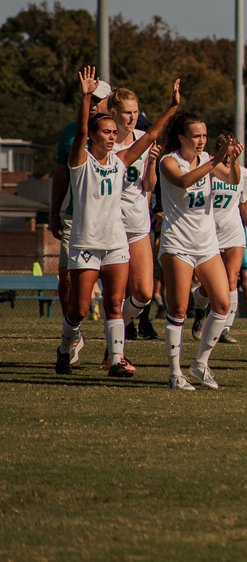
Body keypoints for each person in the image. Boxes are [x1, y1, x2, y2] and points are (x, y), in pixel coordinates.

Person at [55, 67, 177, 377]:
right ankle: (65, 348)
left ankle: (117, 359)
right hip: (85, 242)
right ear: (93, 136)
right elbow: (81, 130)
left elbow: (150, 135)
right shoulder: (80, 161)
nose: (112, 138)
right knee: (79, 309)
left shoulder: (120, 161)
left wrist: (173, 107)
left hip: (115, 243)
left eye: (113, 133)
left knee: (114, 305)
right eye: (106, 133)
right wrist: (85, 97)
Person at [158, 113, 239, 390]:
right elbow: (183, 181)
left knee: (222, 303)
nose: (202, 140)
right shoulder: (168, 161)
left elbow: (230, 177)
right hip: (178, 242)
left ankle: (200, 364)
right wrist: (217, 158)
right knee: (178, 309)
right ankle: (174, 372)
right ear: (182, 137)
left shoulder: (207, 160)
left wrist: (233, 158)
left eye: (204, 135)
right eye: (196, 135)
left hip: (206, 243)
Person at [49, 78, 112, 367]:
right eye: (91, 98)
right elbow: (61, 174)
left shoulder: (116, 134)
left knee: (117, 290)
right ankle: (72, 334)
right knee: (67, 279)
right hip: (75, 217)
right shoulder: (72, 132)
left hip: (110, 224)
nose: (96, 104)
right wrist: (54, 211)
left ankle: (116, 348)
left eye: (100, 99)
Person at [110, 87, 160, 345]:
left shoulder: (144, 138)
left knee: (143, 293)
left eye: (135, 112)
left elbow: (148, 185)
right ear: (113, 113)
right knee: (115, 293)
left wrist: (151, 163)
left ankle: (123, 324)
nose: (131, 118)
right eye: (126, 113)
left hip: (138, 222)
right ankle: (114, 351)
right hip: (110, 225)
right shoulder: (105, 141)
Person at [198, 131, 247, 346]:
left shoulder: (243, 173)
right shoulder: (209, 169)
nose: (230, 156)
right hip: (211, 229)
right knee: (209, 283)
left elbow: (243, 202)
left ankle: (225, 327)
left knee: (232, 278)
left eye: (233, 151)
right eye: (227, 151)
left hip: (234, 231)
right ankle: (200, 308)